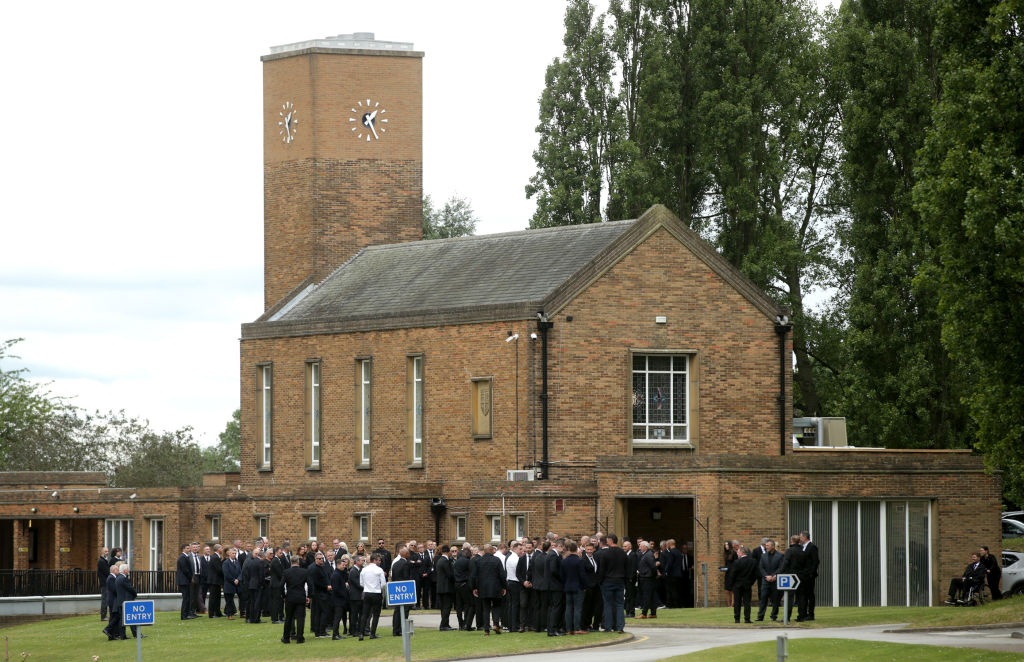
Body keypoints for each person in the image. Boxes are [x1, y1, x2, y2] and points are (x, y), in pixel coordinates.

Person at [473, 544, 507, 635]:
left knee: (486, 609)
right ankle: (496, 624)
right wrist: (504, 587)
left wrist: (475, 587)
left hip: (483, 588)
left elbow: (474, 576)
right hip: (496, 587)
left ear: (484, 551)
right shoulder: (496, 560)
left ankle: (486, 630)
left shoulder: (479, 561)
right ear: (492, 550)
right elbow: (502, 575)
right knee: (496, 606)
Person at [597, 533, 627, 634]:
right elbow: (627, 568)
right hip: (620, 581)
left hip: (607, 581)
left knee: (608, 605)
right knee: (619, 605)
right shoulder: (623, 553)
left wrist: (600, 582)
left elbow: (602, 570)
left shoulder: (605, 553)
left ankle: (608, 627)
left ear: (610, 541)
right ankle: (620, 627)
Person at [725, 545, 758, 623]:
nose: (737, 553)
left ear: (742, 553)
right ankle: (747, 618)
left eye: (738, 552)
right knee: (747, 602)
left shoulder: (737, 562)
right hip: (747, 585)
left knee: (737, 602)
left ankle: (737, 619)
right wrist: (751, 583)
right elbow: (755, 574)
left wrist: (731, 585)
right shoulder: (753, 561)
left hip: (737, 585)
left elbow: (732, 575)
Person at [778, 535, 806, 621]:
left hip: (791, 576)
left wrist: (780, 572)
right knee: (801, 597)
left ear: (791, 541)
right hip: (801, 576)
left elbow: (785, 562)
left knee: (789, 597)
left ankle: (787, 617)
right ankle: (801, 616)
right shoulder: (803, 551)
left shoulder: (789, 551)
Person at [281, 556, 309, 644]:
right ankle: (300, 638)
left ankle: (286, 638)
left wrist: (284, 596)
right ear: (298, 562)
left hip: (290, 597)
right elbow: (310, 584)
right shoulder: (304, 572)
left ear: (290, 562)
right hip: (301, 597)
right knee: (300, 618)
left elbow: (281, 585)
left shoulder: (286, 572)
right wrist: (309, 596)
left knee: (288, 618)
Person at [359, 553, 387, 640]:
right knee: (376, 614)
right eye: (378, 560)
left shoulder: (364, 570)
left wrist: (368, 586)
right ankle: (372, 633)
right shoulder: (379, 570)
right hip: (376, 593)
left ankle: (361, 634)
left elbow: (361, 583)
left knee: (364, 614)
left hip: (367, 593)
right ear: (374, 560)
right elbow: (383, 584)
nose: (380, 562)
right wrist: (377, 587)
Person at [561, 540, 586, 634]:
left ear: (568, 549)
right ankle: (576, 628)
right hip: (578, 587)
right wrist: (585, 586)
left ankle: (568, 629)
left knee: (568, 608)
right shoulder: (579, 561)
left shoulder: (564, 561)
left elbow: (562, 576)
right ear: (576, 549)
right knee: (577, 608)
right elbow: (582, 576)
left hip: (567, 587)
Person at [756, 539, 783, 622]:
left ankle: (774, 616)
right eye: (766, 545)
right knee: (763, 599)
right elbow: (761, 567)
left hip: (775, 581)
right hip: (766, 581)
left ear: (773, 546)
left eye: (768, 545)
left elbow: (781, 567)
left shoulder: (780, 556)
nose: (766, 547)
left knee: (775, 600)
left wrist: (775, 575)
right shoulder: (763, 556)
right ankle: (760, 616)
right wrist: (766, 576)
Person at [115, 564, 142, 640]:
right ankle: (136, 634)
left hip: (120, 601)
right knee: (131, 619)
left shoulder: (118, 578)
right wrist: (135, 593)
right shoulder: (123, 578)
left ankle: (123, 635)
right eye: (128, 569)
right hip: (126, 601)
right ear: (124, 570)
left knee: (122, 620)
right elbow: (130, 588)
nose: (129, 571)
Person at [390, 545, 413, 635]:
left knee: (397, 611)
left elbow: (393, 577)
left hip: (396, 588)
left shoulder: (395, 563)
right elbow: (407, 577)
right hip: (405, 589)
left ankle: (395, 630)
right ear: (406, 554)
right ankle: (401, 629)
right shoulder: (406, 563)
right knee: (405, 610)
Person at [309, 551, 331, 637]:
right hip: (319, 594)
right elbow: (315, 582)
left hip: (322, 593)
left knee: (320, 613)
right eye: (319, 559)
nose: (321, 560)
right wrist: (326, 587)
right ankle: (321, 631)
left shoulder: (321, 567)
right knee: (323, 612)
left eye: (322, 558)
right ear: (315, 559)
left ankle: (319, 631)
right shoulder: (314, 568)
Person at [798, 531, 819, 621]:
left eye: (801, 537)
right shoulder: (803, 547)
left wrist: (811, 573)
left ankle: (811, 614)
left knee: (810, 595)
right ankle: (803, 614)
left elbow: (815, 561)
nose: (800, 538)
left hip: (809, 575)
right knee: (804, 595)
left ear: (805, 537)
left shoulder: (812, 547)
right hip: (803, 575)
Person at [502, 540, 522, 632]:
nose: (521, 551)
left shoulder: (509, 557)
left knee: (511, 605)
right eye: (519, 549)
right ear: (514, 548)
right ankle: (514, 626)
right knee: (515, 605)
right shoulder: (515, 558)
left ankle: (511, 625)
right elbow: (518, 572)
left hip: (509, 581)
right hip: (515, 583)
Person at [436, 543, 456, 630]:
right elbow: (450, 574)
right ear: (448, 552)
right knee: (447, 607)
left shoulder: (440, 560)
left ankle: (445, 624)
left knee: (444, 607)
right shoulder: (445, 561)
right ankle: (443, 625)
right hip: (446, 588)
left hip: (441, 587)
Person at [454, 546, 474, 630]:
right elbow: (471, 573)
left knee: (459, 605)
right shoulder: (468, 562)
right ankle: (466, 623)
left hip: (457, 584)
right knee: (468, 604)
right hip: (464, 584)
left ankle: (460, 624)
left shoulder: (457, 562)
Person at [242, 548, 265, 623]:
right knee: (257, 602)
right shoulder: (260, 562)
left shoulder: (249, 562)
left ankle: (251, 618)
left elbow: (246, 573)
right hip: (257, 584)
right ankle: (256, 618)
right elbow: (261, 575)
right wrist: (262, 584)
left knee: (251, 602)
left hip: (250, 584)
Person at [331, 555, 350, 639]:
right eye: (343, 565)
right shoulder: (336, 575)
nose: (344, 566)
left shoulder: (340, 574)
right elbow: (336, 589)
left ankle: (337, 634)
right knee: (337, 618)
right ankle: (335, 634)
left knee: (338, 618)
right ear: (338, 565)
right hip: (337, 600)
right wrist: (344, 594)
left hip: (340, 599)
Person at [637, 540, 658, 619]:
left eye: (641, 546)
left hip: (647, 578)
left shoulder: (648, 555)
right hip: (647, 577)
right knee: (651, 596)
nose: (639, 548)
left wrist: (651, 575)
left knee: (647, 596)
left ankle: (644, 613)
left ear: (645, 547)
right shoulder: (645, 554)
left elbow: (653, 567)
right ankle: (653, 613)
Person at [176, 543, 196, 620]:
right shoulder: (182, 557)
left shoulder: (185, 557)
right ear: (183, 549)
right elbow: (185, 570)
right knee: (186, 598)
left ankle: (186, 614)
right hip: (184, 581)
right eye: (187, 548)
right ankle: (184, 615)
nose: (189, 549)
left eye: (189, 548)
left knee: (187, 598)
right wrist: (191, 577)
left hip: (185, 580)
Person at [222, 546, 242, 619]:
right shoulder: (226, 563)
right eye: (232, 553)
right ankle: (229, 614)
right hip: (229, 584)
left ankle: (242, 613)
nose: (234, 554)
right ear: (229, 554)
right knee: (229, 600)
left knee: (242, 598)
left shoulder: (237, 562)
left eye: (235, 553)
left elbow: (240, 572)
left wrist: (238, 579)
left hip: (238, 583)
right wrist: (233, 580)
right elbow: (226, 574)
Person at [349, 554, 365, 638]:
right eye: (362, 560)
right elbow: (357, 584)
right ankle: (353, 631)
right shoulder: (353, 571)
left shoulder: (361, 570)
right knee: (354, 614)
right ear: (357, 561)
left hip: (360, 596)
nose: (363, 562)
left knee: (361, 614)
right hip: (355, 596)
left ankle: (360, 630)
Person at [269, 546, 286, 624]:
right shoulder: (275, 561)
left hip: (276, 584)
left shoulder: (277, 560)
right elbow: (279, 573)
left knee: (278, 601)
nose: (281, 554)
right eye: (280, 553)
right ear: (276, 553)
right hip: (276, 584)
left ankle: (279, 617)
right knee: (275, 602)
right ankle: (275, 619)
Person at [104, 562, 120, 640]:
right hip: (112, 600)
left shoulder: (112, 578)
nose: (118, 571)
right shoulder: (111, 578)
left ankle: (111, 635)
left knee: (113, 616)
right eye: (117, 570)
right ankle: (107, 629)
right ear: (113, 570)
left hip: (113, 600)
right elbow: (114, 590)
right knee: (115, 616)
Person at [208, 544, 224, 618]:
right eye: (221, 548)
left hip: (217, 581)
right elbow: (219, 569)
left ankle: (218, 612)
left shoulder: (217, 557)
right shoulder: (215, 557)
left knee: (218, 597)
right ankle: (211, 614)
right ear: (218, 549)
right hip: (214, 581)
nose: (222, 549)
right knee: (213, 597)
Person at [623, 540, 638, 618]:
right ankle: (627, 611)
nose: (624, 548)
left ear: (630, 546)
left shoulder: (633, 555)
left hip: (630, 579)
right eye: (623, 546)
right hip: (626, 579)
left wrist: (631, 578)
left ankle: (631, 612)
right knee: (627, 596)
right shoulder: (626, 554)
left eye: (625, 546)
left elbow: (633, 567)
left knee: (631, 596)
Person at [97, 546, 110, 622]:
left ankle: (104, 615)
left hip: (105, 583)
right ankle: (103, 616)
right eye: (105, 551)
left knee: (106, 599)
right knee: (104, 599)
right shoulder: (101, 561)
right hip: (104, 583)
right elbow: (107, 572)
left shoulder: (104, 560)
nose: (107, 553)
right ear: (102, 552)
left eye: (107, 551)